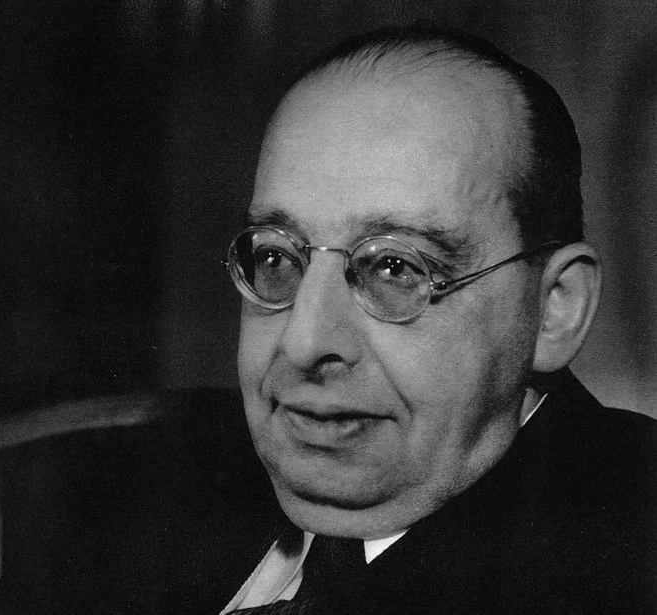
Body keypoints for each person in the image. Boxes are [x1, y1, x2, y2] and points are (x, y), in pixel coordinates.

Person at [207, 23, 656, 614]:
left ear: (554, 309)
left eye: (394, 267)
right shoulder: (152, 491)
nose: (303, 342)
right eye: (276, 258)